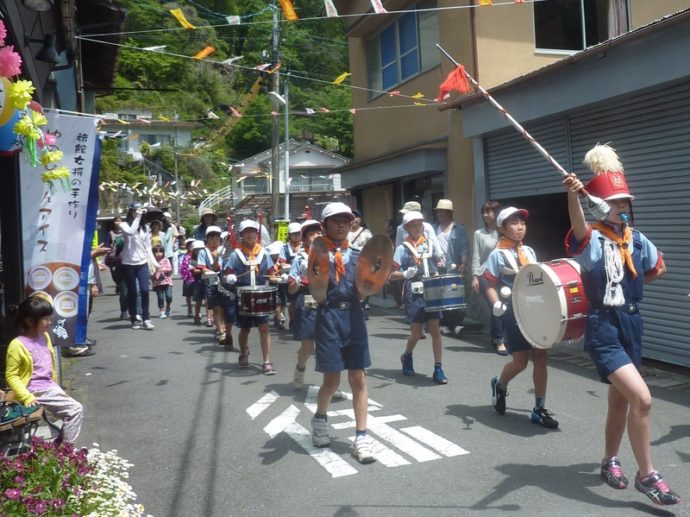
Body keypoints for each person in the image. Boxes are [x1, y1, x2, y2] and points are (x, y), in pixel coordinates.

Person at [562, 144, 679, 505]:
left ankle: (609, 460)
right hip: (604, 326)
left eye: (625, 202)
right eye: (614, 202)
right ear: (599, 206)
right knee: (642, 398)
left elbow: (657, 268)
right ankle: (648, 475)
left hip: (632, 322)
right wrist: (573, 195)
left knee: (620, 403)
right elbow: (578, 227)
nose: (622, 207)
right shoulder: (594, 239)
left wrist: (645, 275)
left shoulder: (637, 239)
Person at [310, 202, 376, 464]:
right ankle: (320, 418)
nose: (341, 225)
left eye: (346, 221)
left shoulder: (360, 255)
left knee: (358, 377)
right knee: (331, 381)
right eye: (336, 221)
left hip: (355, 315)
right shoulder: (317, 254)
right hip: (328, 316)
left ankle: (361, 436)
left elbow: (367, 286)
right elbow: (315, 286)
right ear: (324, 225)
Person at [485, 207, 558, 429]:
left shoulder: (530, 251)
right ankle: (500, 383)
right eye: (514, 223)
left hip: (534, 310)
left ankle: (539, 407)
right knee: (520, 362)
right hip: (513, 311)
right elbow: (489, 283)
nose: (520, 227)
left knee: (541, 355)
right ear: (502, 228)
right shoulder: (497, 254)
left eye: (522, 223)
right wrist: (495, 302)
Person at [5, 295, 84, 443]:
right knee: (75, 410)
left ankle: (59, 446)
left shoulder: (45, 336)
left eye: (49, 317)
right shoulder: (17, 345)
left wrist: (55, 385)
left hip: (49, 387)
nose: (50, 321)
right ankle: (67, 452)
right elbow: (12, 376)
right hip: (35, 391)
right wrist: (27, 397)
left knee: (72, 412)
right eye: (45, 319)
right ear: (29, 321)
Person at [391, 211, 447, 385]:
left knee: (435, 330)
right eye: (413, 225)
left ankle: (438, 368)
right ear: (406, 228)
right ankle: (407, 356)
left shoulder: (430, 244)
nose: (417, 228)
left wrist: (440, 265)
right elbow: (391, 274)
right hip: (413, 292)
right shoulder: (402, 249)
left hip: (432, 290)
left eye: (419, 224)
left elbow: (440, 261)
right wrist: (405, 274)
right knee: (416, 333)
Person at [224, 220, 275, 374]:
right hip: (243, 295)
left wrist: (279, 277)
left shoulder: (265, 253)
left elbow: (272, 273)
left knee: (264, 328)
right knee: (245, 329)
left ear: (256, 234)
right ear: (241, 235)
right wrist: (229, 277)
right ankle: (243, 353)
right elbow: (226, 275)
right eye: (246, 232)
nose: (250, 234)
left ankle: (266, 361)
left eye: (253, 231)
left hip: (261, 295)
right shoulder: (235, 254)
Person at [470, 200, 506, 355]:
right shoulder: (479, 234)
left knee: (504, 307)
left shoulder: (504, 231)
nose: (486, 214)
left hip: (504, 274)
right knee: (496, 306)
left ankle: (498, 336)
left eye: (490, 211)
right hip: (485, 274)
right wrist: (474, 276)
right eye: (484, 211)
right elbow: (476, 256)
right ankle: (500, 341)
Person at [433, 199, 469, 335]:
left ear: (449, 213)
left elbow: (464, 247)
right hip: (436, 267)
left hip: (453, 267)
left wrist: (463, 263)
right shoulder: (433, 227)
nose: (439, 214)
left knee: (454, 296)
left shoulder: (459, 228)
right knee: (439, 296)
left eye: (442, 212)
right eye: (438, 212)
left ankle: (455, 324)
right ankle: (444, 324)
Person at [119, 204, 156, 330]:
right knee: (133, 292)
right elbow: (130, 232)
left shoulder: (144, 227)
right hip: (128, 263)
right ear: (131, 212)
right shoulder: (124, 225)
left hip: (142, 262)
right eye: (135, 210)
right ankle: (134, 318)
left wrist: (156, 263)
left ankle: (146, 318)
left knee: (145, 290)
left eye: (140, 210)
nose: (138, 212)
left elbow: (148, 247)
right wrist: (138, 217)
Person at [197, 226, 226, 343]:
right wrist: (214, 271)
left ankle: (221, 327)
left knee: (224, 306)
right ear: (207, 239)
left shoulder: (224, 251)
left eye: (217, 237)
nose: (215, 240)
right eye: (212, 237)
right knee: (216, 306)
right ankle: (220, 330)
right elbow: (202, 268)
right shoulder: (203, 252)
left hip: (224, 281)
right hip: (211, 281)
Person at [279, 222, 302, 326]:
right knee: (292, 301)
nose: (296, 236)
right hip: (291, 277)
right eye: (294, 234)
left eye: (298, 233)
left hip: (305, 276)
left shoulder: (305, 245)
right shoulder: (284, 248)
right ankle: (292, 321)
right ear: (289, 235)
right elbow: (282, 263)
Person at [267, 240, 288, 329]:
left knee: (284, 302)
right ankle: (278, 320)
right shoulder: (270, 263)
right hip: (274, 285)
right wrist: (278, 279)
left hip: (283, 285)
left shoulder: (282, 262)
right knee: (277, 302)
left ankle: (279, 316)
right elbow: (269, 277)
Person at [151, 245, 173, 319]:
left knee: (169, 296)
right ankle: (162, 312)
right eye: (156, 252)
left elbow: (170, 269)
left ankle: (168, 306)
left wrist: (163, 269)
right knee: (160, 297)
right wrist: (155, 272)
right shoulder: (152, 262)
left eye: (160, 251)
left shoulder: (166, 260)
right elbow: (150, 272)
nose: (158, 253)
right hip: (157, 283)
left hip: (167, 281)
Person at [189, 240, 206, 326]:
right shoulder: (193, 260)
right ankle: (196, 316)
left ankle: (209, 317)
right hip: (198, 281)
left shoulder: (206, 257)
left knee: (208, 300)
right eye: (197, 249)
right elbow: (193, 271)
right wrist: (202, 270)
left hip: (206, 279)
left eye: (201, 249)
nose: (199, 251)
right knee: (198, 300)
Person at [179, 238, 195, 317]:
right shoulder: (184, 256)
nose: (191, 247)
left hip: (196, 277)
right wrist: (183, 275)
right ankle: (189, 308)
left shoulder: (198, 256)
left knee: (198, 295)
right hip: (188, 278)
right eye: (189, 245)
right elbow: (181, 266)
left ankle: (197, 310)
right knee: (188, 295)